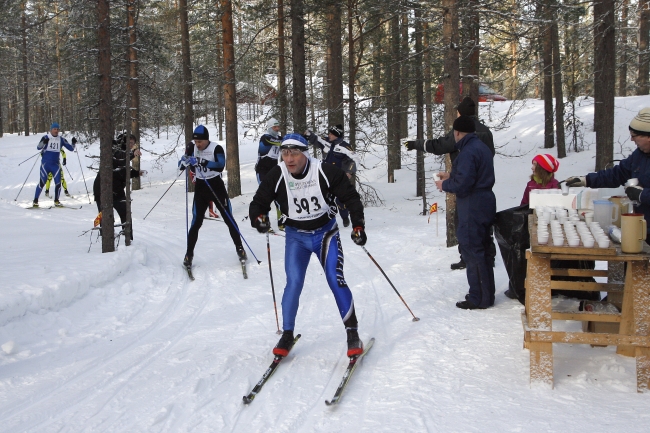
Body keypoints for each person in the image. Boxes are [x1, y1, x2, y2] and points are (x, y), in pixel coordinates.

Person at [249, 133, 367, 358]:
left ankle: (352, 332)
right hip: (296, 237)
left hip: (325, 234)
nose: (289, 159)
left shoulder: (324, 171)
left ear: (305, 153)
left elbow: (351, 198)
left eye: (294, 153)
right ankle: (287, 333)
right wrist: (259, 219)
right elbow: (258, 203)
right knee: (293, 283)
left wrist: (358, 226)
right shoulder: (278, 174)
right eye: (285, 153)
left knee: (335, 278)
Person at [405, 96, 495, 270]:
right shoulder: (486, 132)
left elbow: (440, 145)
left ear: (460, 113)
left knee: (466, 226)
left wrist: (417, 144)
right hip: (483, 184)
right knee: (483, 228)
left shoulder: (463, 134)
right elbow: (489, 156)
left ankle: (469, 260)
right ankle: (487, 258)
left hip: (469, 189)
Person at [434, 116, 496, 310]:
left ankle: (478, 297)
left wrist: (444, 184)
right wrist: (451, 175)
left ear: (458, 133)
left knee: (472, 249)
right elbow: (473, 174)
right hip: (485, 200)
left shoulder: (468, 151)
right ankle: (487, 294)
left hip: (472, 204)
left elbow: (464, 183)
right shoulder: (481, 147)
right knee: (483, 248)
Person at [564, 107, 650, 244]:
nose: (632, 140)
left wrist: (641, 195)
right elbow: (616, 174)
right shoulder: (639, 155)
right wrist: (586, 180)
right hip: (643, 228)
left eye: (634, 136)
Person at [179, 125, 245, 269]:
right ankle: (189, 255)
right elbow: (181, 164)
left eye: (200, 142)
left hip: (216, 186)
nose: (198, 145)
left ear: (206, 140)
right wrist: (184, 162)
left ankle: (240, 248)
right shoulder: (192, 146)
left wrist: (202, 162)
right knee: (196, 222)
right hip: (201, 187)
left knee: (228, 219)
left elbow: (220, 165)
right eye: (196, 142)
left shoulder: (216, 148)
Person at [304, 124, 358, 227]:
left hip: (339, 178)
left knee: (341, 200)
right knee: (324, 198)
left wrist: (349, 172)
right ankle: (324, 221)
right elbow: (317, 139)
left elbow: (355, 159)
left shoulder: (345, 147)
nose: (328, 135)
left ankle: (345, 217)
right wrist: (308, 134)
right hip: (326, 176)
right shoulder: (326, 142)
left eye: (331, 134)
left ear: (336, 135)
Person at [93, 133, 146, 237]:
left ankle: (128, 239)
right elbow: (118, 159)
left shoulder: (124, 153)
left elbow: (122, 172)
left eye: (133, 144)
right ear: (123, 141)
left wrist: (137, 173)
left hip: (117, 190)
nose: (131, 145)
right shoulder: (114, 148)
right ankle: (104, 238)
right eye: (130, 142)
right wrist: (132, 154)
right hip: (102, 188)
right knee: (103, 215)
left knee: (125, 214)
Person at [33, 122, 76, 207]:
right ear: (51, 130)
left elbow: (71, 149)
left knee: (58, 183)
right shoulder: (46, 137)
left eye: (57, 129)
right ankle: (35, 200)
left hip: (55, 165)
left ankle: (56, 201)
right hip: (45, 165)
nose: (56, 131)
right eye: (54, 129)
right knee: (42, 182)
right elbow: (38, 147)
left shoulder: (61, 139)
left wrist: (73, 143)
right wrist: (44, 142)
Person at [255, 117, 283, 229]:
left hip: (274, 170)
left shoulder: (280, 138)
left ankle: (282, 222)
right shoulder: (265, 137)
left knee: (279, 196)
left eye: (278, 126)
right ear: (270, 127)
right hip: (262, 171)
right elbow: (273, 141)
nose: (277, 129)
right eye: (274, 127)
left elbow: (284, 142)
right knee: (265, 197)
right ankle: (264, 222)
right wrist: (284, 141)